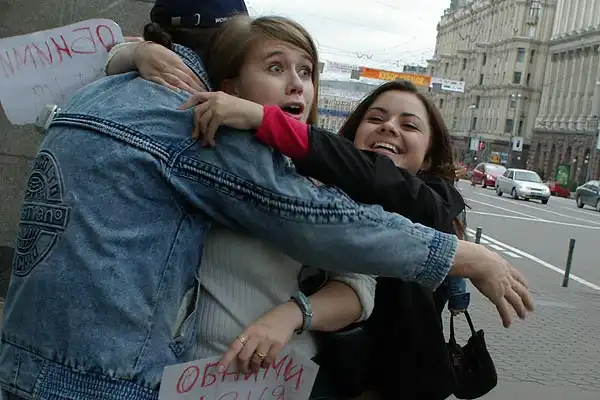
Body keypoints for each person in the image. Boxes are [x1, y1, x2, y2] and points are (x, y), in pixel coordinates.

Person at [0, 4, 529, 400]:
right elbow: (316, 220)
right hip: (142, 378)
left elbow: (353, 258)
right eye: (274, 67)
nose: (296, 84)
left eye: (307, 71)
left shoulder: (99, 97)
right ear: (225, 82)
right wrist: (131, 52)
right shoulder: (201, 133)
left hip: (276, 379)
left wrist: (293, 315)